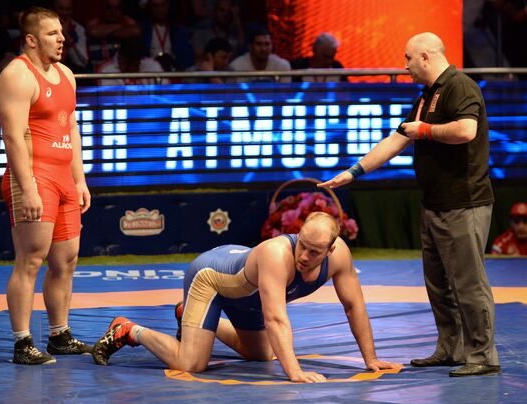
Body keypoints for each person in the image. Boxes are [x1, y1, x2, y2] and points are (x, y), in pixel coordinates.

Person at [318, 32, 500, 377]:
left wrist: (425, 131)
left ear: (427, 56)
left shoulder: (461, 86)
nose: (405, 67)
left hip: (464, 203)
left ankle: (483, 355)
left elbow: (466, 131)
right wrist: (353, 172)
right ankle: (451, 348)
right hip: (434, 203)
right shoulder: (428, 95)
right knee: (438, 282)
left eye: (408, 59)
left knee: (468, 282)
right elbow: (397, 139)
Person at [92, 212, 402, 382]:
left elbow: (354, 306)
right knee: (191, 364)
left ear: (332, 249)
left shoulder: (340, 258)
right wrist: (294, 373)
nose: (304, 256)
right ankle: (129, 330)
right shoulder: (277, 256)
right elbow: (276, 317)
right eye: (302, 245)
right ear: (298, 234)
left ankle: (185, 314)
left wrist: (370, 359)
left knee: (263, 355)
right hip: (211, 278)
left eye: (315, 251)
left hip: (248, 295)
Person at [0, 6, 92, 365]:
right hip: (35, 177)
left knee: (66, 261)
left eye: (62, 32)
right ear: (32, 39)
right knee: (30, 259)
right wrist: (29, 188)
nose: (62, 39)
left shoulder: (67, 73)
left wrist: (79, 179)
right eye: (53, 34)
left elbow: (71, 128)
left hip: (64, 177)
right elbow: (13, 136)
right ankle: (22, 343)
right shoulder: (18, 75)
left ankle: (59, 335)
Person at [86, 0, 141, 71]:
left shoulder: (129, 22)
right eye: (109, 8)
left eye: (117, 8)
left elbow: (136, 31)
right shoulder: (94, 23)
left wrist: (104, 31)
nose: (113, 12)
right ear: (103, 9)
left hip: (123, 71)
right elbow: (93, 32)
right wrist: (119, 26)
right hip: (98, 71)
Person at [96, 35, 166, 86]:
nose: (132, 69)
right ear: (120, 57)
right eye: (128, 64)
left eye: (136, 65)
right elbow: (110, 101)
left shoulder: (153, 65)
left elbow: (164, 93)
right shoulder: (105, 71)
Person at [52, 0, 89, 73]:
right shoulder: (44, 28)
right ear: (53, 9)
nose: (64, 13)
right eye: (61, 8)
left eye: (68, 9)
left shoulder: (78, 29)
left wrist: (66, 35)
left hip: (73, 72)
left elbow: (82, 63)